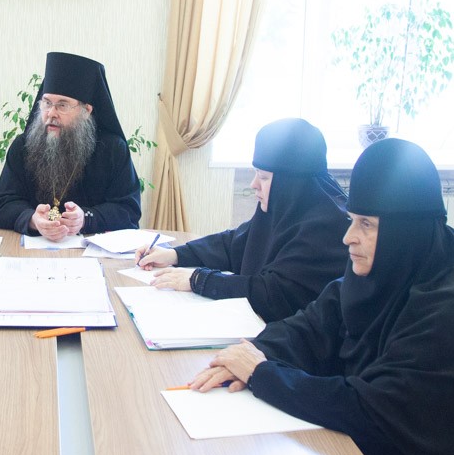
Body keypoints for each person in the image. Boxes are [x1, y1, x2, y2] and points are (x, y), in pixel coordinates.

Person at [187, 139, 454, 455]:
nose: (348, 236)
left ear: (405, 231)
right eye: (353, 219)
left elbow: (370, 412)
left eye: (366, 224)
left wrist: (262, 373)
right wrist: (254, 352)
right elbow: (315, 324)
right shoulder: (390, 269)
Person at [136, 118, 350, 322]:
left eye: (263, 177)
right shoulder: (289, 206)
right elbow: (235, 243)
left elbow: (272, 294)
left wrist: (198, 280)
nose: (253, 184)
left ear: (290, 183)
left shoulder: (326, 227)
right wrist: (174, 255)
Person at [0, 51, 142, 240]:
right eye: (47, 103)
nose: (51, 113)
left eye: (62, 105)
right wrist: (32, 220)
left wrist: (86, 218)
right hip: (31, 251)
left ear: (86, 111)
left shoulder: (113, 150)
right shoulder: (23, 146)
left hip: (92, 252)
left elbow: (128, 210)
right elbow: (4, 205)